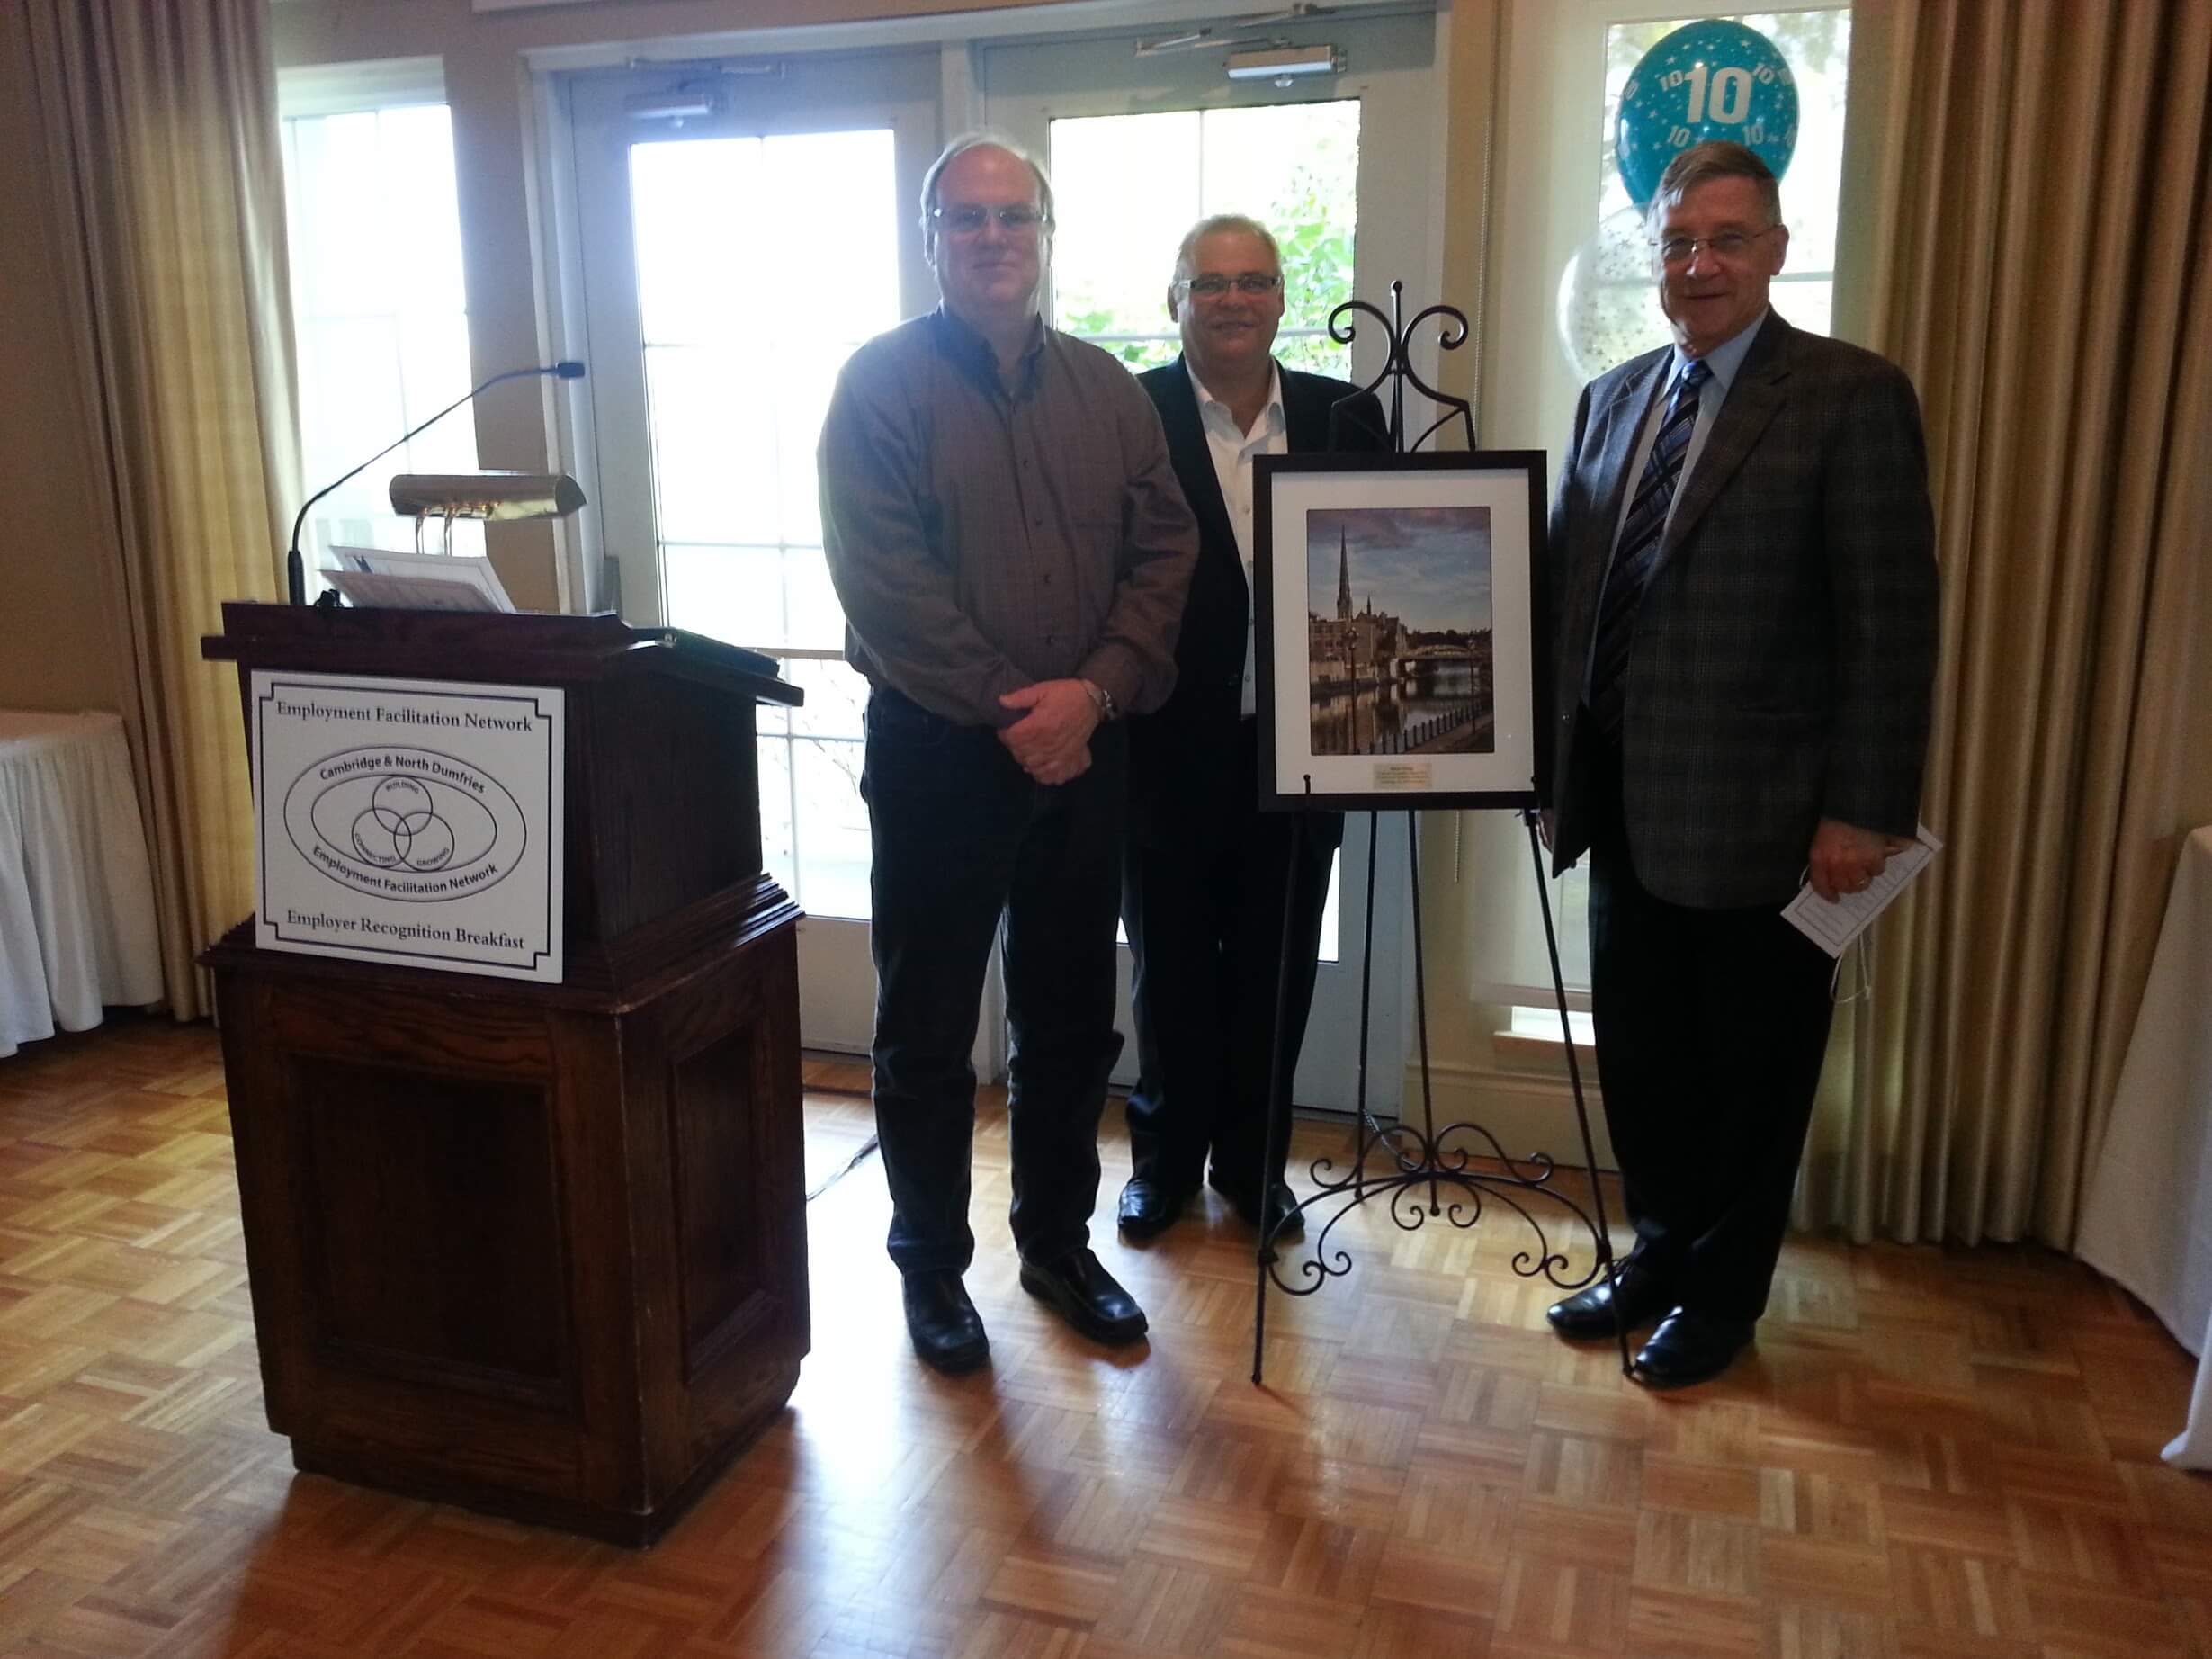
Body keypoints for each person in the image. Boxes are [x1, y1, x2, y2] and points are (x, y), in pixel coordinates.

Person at [1538, 141, 1938, 1387]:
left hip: (1770, 822)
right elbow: (1568, 600)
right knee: (1645, 1059)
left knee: (1751, 1079)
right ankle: (1656, 1254)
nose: (1696, 263)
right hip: (1618, 803)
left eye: (1723, 239)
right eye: (1674, 241)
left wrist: (1861, 808)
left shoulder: (1847, 396)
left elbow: (1889, 619)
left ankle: (1720, 1297)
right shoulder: (1608, 399)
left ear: (1771, 249)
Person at [817, 135, 1197, 1375]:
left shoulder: (1110, 394)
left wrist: (1088, 695)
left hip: (1086, 754)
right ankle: (931, 1270)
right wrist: (1011, 709)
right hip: (937, 751)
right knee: (926, 1028)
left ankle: (1054, 1244)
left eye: (1013, 217)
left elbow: (1162, 556)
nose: (991, 238)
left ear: (1044, 234)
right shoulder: (875, 387)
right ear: (931, 238)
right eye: (965, 218)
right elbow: (885, 585)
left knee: (1068, 1018)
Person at [1115, 215, 1387, 1244]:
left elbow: (1390, 549)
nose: (1231, 299)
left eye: (1253, 281)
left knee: (1273, 971)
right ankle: (1162, 1166)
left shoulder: (1345, 416)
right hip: (1162, 748)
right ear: (1173, 298)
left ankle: (1252, 1167)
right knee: (1169, 970)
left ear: (1281, 298)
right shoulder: (1127, 413)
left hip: (1303, 750)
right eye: (1208, 282)